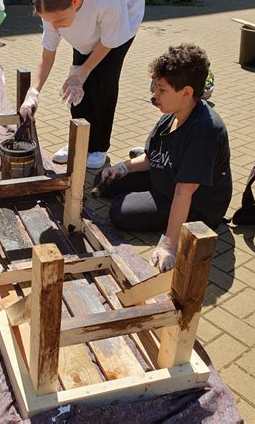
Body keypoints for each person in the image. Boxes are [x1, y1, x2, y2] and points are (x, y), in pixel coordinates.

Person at [94, 43, 232, 272]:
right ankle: (131, 187)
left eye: (161, 90)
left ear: (186, 92)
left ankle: (161, 216)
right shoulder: (173, 114)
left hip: (196, 204)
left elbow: (184, 192)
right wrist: (122, 168)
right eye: (154, 87)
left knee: (119, 212)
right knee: (104, 180)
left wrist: (169, 243)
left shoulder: (206, 131)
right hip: (168, 176)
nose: (154, 96)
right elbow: (153, 158)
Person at [19, 0, 145, 169]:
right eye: (50, 21)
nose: (55, 26)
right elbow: (47, 54)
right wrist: (34, 91)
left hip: (126, 11)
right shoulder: (50, 5)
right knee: (75, 85)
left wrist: (85, 71)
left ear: (75, 3)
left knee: (103, 78)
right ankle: (79, 141)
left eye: (59, 20)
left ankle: (98, 147)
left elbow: (107, 43)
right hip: (90, 25)